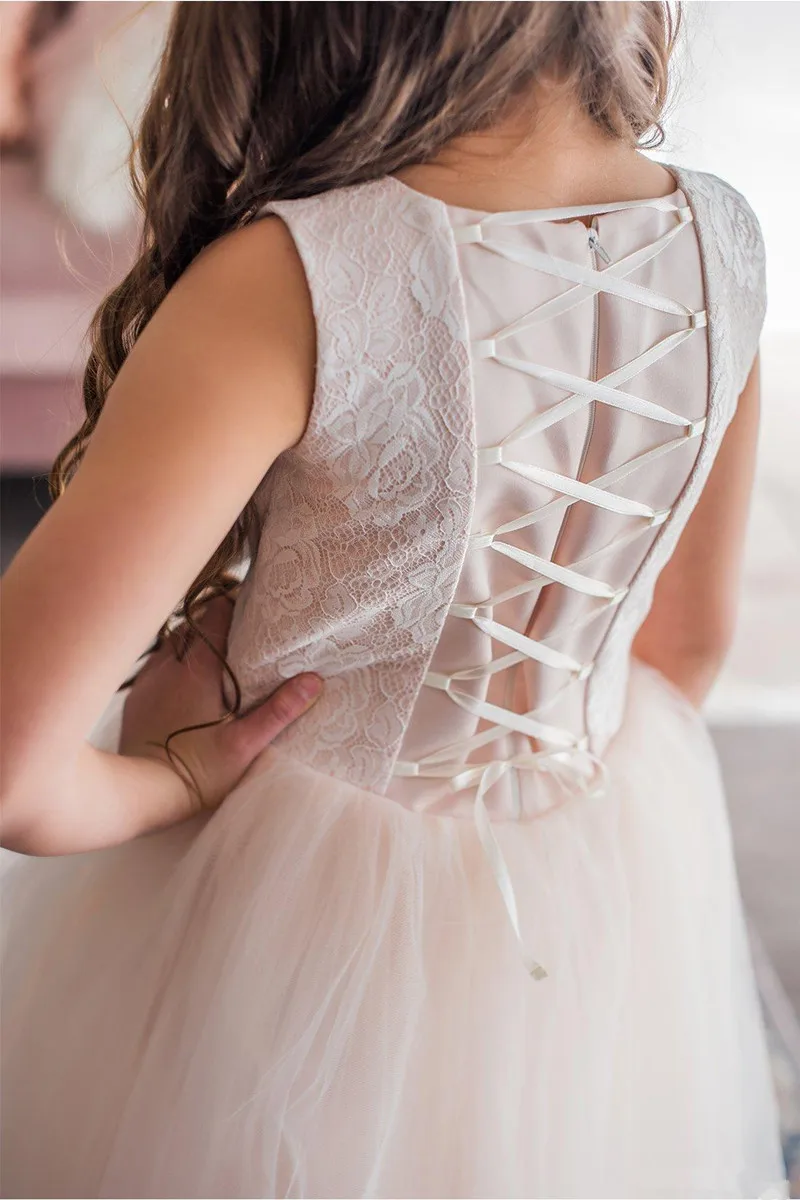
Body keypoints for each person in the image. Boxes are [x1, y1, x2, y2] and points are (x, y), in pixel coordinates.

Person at [0, 2, 787, 1195]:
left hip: (287, 926)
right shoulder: (717, 237)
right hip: (598, 891)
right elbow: (680, 651)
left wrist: (173, 772)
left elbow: (16, 770)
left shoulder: (296, 274)